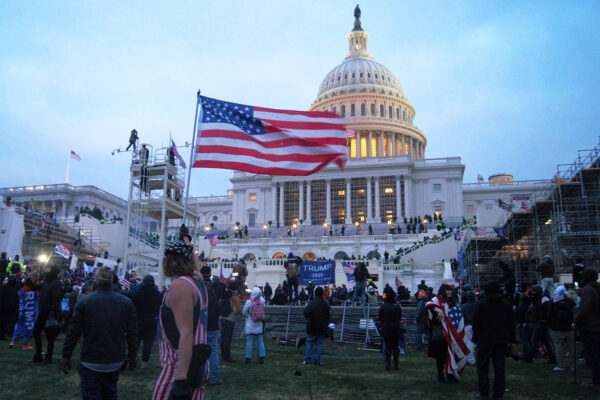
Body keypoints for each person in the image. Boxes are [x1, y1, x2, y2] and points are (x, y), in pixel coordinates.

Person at [60, 267, 138, 399]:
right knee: (110, 393)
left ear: (95, 282)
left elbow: (73, 332)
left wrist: (66, 356)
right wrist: (132, 356)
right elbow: (132, 333)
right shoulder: (126, 303)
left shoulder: (85, 302)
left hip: (91, 359)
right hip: (114, 360)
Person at [152, 240, 210, 400]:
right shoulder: (197, 282)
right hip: (198, 363)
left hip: (178, 366)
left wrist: (181, 379)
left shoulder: (180, 286)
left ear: (172, 261)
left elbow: (186, 333)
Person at [472, 280, 515, 400]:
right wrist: (511, 339)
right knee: (499, 368)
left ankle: (484, 393)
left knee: (482, 367)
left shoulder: (481, 305)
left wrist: (476, 338)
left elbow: (476, 324)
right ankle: (498, 394)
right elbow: (511, 323)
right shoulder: (506, 304)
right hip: (501, 340)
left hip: (485, 340)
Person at [425, 284, 469, 383]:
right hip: (440, 334)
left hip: (452, 333)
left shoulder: (453, 302)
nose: (449, 292)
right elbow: (429, 305)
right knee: (441, 356)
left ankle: (450, 374)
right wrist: (438, 309)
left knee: (450, 355)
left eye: (450, 290)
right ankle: (441, 375)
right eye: (447, 290)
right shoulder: (437, 300)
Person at [572, 269, 600, 388]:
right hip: (597, 325)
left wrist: (576, 321)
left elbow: (584, 309)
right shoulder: (597, 287)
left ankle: (596, 381)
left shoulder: (588, 290)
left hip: (590, 326)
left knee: (593, 355)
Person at [32, 266, 63, 365]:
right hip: (43, 311)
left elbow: (56, 298)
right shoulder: (47, 283)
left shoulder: (56, 284)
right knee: (36, 331)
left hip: (50, 312)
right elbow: (36, 287)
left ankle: (48, 357)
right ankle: (38, 355)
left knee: (50, 336)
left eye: (48, 271)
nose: (46, 273)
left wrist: (53, 313)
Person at [131, 274, 162, 370]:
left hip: (139, 320)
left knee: (135, 341)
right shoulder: (158, 294)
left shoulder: (137, 293)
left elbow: (133, 305)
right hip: (152, 320)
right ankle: (144, 363)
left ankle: (133, 360)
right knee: (148, 343)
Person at [200, 266, 223, 387]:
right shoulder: (213, 291)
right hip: (212, 324)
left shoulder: (198, 290)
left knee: (200, 351)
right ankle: (214, 377)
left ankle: (201, 376)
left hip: (201, 325)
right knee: (212, 350)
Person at [548, 285, 576, 372]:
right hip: (570, 328)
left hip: (557, 329)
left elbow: (549, 315)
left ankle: (561, 365)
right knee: (572, 348)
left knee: (558, 347)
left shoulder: (554, 302)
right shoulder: (571, 302)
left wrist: (551, 325)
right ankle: (573, 366)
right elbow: (575, 313)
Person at [302, 287, 330, 366]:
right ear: (322, 294)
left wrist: (309, 317)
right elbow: (328, 315)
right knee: (319, 344)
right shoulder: (326, 303)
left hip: (312, 326)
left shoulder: (312, 303)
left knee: (309, 342)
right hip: (322, 327)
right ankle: (318, 361)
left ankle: (307, 360)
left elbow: (305, 313)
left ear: (315, 294)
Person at [9, 277, 38, 350]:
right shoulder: (34, 293)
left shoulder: (21, 291)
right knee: (28, 327)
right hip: (30, 312)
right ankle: (25, 344)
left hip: (21, 312)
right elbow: (36, 304)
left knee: (18, 326)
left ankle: (12, 341)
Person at [378, 286, 402, 370]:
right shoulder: (397, 306)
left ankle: (388, 364)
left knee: (388, 346)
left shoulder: (383, 306)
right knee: (395, 346)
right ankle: (396, 365)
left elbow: (380, 317)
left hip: (386, 327)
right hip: (396, 327)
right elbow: (400, 317)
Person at [243, 287, 266, 364]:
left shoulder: (249, 302)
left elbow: (244, 312)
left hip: (250, 324)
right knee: (260, 341)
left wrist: (248, 314)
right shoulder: (262, 301)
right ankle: (262, 356)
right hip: (259, 324)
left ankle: (248, 358)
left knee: (249, 341)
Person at [219, 281, 241, 363]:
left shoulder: (225, 294)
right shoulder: (235, 297)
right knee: (228, 339)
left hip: (222, 318)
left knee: (223, 338)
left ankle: (223, 356)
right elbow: (238, 310)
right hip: (230, 319)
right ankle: (227, 357)